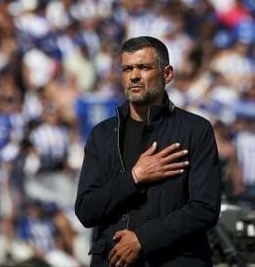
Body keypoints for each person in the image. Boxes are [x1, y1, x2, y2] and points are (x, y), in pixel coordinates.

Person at [75, 36, 221, 267]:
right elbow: (86, 210)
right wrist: (134, 177)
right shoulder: (102, 135)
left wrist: (143, 239)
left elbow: (205, 209)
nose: (134, 76)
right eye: (127, 68)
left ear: (167, 74)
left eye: (144, 67)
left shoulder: (196, 130)